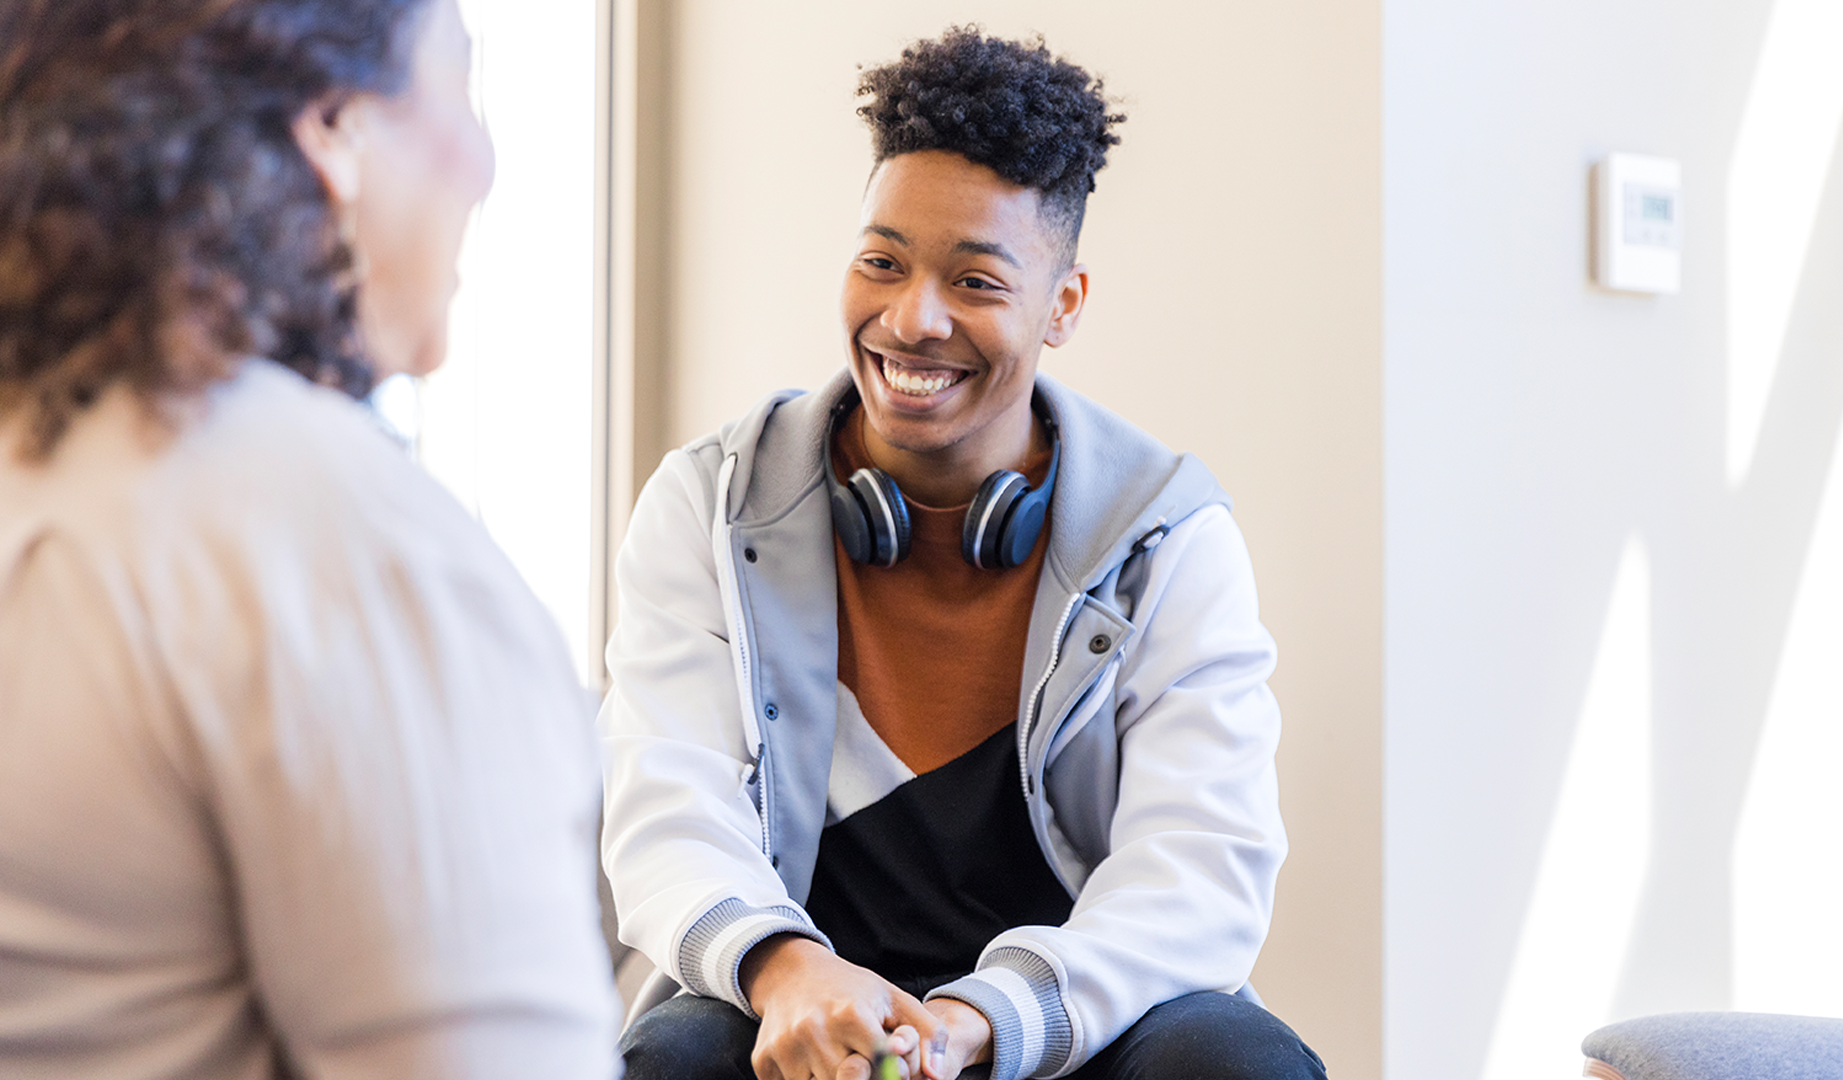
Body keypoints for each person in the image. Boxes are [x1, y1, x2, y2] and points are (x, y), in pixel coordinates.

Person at [600, 26, 1326, 1080]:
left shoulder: (1170, 538)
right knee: (674, 1060)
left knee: (1234, 1062)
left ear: (1062, 305)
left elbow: (1200, 870)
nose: (911, 319)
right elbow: (666, 804)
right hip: (807, 1018)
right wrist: (787, 967)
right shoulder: (708, 503)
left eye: (977, 282)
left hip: (1070, 1029)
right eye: (881, 262)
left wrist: (983, 1020)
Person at [0, 1, 621, 1076]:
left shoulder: (44, 460)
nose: (482, 162)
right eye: (458, 86)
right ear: (331, 125)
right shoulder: (331, 537)